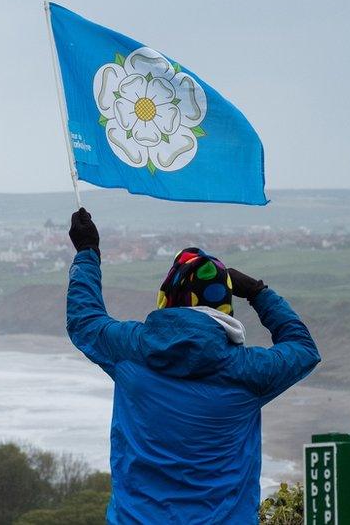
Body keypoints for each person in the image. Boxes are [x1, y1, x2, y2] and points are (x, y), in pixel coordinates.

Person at [66, 208, 320, 524]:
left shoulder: (131, 349)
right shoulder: (249, 371)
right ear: (224, 305)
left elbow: (84, 320)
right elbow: (303, 349)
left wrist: (88, 252)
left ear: (167, 297)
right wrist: (258, 292)